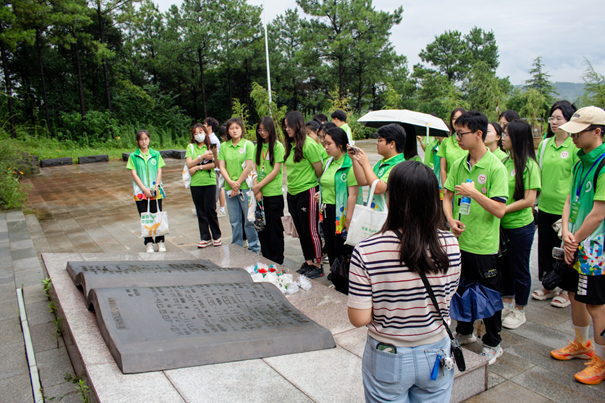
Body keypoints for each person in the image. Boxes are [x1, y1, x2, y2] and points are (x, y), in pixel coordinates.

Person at [348, 161, 462, 403]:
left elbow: (359, 319)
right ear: (434, 200)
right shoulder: (451, 243)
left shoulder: (367, 250)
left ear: (391, 199)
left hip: (388, 354)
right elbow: (448, 293)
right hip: (437, 351)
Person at [443, 110, 508, 364]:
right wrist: (450, 220)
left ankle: (493, 342)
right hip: (461, 242)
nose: (457, 138)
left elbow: (499, 210)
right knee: (461, 289)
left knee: (489, 295)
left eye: (461, 134)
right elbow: (447, 196)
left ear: (478, 134)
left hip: (484, 245)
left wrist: (474, 193)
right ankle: (465, 331)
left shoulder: (495, 167)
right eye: (456, 134)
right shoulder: (459, 164)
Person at [552, 106, 605, 385]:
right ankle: (581, 344)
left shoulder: (603, 164)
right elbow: (569, 200)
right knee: (574, 294)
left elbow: (598, 213)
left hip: (596, 248)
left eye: (578, 132)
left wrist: (576, 239)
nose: (572, 137)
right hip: (575, 241)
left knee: (596, 304)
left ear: (597, 132)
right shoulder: (579, 162)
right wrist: (567, 233)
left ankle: (602, 360)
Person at [532, 100, 579, 308]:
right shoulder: (545, 145)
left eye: (559, 118)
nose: (554, 122)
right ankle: (548, 285)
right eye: (552, 118)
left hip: (565, 209)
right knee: (546, 248)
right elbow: (540, 173)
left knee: (564, 250)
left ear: (569, 120)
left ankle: (566, 290)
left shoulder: (575, 145)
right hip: (545, 206)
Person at [499, 120, 541, 329]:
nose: (503, 138)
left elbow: (528, 200)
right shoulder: (505, 162)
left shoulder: (530, 166)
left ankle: (520, 309)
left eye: (506, 134)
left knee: (520, 268)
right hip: (503, 225)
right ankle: (507, 303)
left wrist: (502, 209)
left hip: (520, 226)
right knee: (505, 267)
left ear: (517, 138)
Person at [317, 126, 359, 294]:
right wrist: (321, 195)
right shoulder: (330, 161)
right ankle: (336, 280)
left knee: (342, 250)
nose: (325, 147)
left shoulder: (349, 164)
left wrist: (348, 218)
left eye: (329, 144)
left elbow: (353, 194)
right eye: (324, 143)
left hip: (340, 213)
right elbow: (326, 183)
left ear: (340, 144)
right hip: (327, 211)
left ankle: (345, 286)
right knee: (331, 248)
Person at [284, 111, 324, 278]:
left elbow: (319, 170)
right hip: (292, 192)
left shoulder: (309, 144)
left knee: (311, 230)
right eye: (285, 126)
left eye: (289, 126)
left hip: (307, 192)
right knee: (301, 230)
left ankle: (317, 264)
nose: (287, 129)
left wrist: (309, 182)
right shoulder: (291, 145)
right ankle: (308, 261)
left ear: (297, 125)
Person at [217, 118, 260, 253]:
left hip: (245, 188)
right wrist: (231, 183)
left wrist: (238, 184)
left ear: (241, 129)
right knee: (234, 221)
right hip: (229, 188)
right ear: (228, 131)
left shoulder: (248, 145)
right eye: (231, 128)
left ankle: (254, 247)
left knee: (249, 220)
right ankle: (237, 247)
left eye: (237, 128)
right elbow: (221, 166)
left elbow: (248, 167)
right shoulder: (224, 146)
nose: (234, 131)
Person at [126, 130, 167, 253]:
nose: (144, 141)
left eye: (146, 139)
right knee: (145, 217)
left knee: (157, 214)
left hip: (156, 190)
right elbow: (134, 174)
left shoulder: (156, 154)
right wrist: (144, 189)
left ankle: (160, 241)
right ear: (137, 141)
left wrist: (157, 186)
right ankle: (148, 242)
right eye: (141, 139)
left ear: (149, 139)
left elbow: (159, 170)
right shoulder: (133, 156)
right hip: (140, 191)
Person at [349, 124, 406, 211]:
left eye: (380, 140)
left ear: (392, 144)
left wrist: (366, 165)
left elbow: (378, 188)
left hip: (387, 215)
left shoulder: (399, 165)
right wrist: (354, 158)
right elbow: (362, 181)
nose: (377, 143)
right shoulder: (382, 162)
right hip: (376, 215)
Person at [252, 116, 285, 264]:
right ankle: (266, 258)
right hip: (259, 195)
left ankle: (277, 261)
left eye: (265, 129)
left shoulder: (278, 147)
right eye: (259, 130)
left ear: (271, 129)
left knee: (275, 229)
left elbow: (275, 171)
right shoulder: (257, 147)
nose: (262, 132)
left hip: (273, 195)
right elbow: (254, 169)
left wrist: (258, 186)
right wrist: (256, 188)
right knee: (262, 228)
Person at [186, 123, 221, 248]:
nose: (198, 135)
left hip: (209, 181)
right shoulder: (191, 147)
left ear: (206, 133)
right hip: (196, 183)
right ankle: (205, 237)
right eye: (195, 133)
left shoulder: (210, 146)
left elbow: (215, 164)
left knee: (210, 209)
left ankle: (217, 236)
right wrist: (202, 157)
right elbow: (189, 164)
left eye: (200, 132)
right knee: (200, 211)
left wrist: (198, 167)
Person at [202, 117, 227, 218]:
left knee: (219, 188)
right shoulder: (209, 137)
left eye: (204, 125)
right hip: (214, 167)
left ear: (210, 127)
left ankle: (222, 209)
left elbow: (213, 155)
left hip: (216, 168)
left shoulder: (212, 139)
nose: (203, 127)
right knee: (218, 187)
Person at [438, 108, 468, 187]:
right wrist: (445, 188)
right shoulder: (446, 141)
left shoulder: (470, 140)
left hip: (468, 185)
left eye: (460, 117)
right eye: (454, 118)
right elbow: (443, 169)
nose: (457, 120)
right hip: (451, 186)